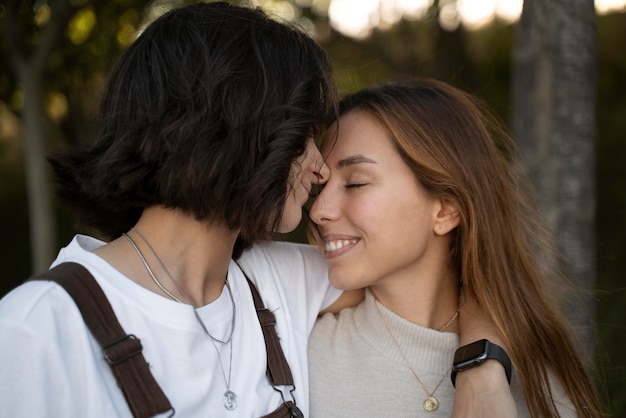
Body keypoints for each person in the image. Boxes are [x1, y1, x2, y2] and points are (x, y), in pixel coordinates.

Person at [0, 2, 514, 417]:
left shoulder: (280, 282)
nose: (318, 171)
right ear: (237, 132)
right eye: (303, 139)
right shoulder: (35, 329)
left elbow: (453, 272)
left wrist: (481, 368)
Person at [308, 77, 602, 417]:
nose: (318, 210)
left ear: (446, 208)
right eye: (320, 188)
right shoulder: (294, 353)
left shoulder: (538, 386)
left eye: (356, 183)